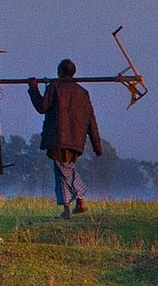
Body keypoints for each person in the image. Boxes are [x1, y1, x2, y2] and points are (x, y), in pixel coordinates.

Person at [29, 58, 103, 219]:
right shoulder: (83, 93)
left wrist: (34, 89)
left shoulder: (54, 87)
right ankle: (76, 204)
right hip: (76, 142)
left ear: (60, 72)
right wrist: (97, 146)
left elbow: (42, 107)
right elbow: (91, 121)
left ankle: (70, 207)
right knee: (66, 169)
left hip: (58, 140)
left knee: (62, 172)